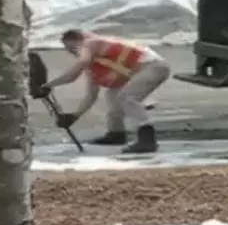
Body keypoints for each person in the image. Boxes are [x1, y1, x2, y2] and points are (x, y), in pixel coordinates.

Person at [40, 29, 170, 153]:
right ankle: (116, 134)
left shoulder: (90, 43)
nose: (71, 52)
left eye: (71, 48)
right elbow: (91, 95)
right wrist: (74, 116)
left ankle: (148, 139)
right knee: (112, 95)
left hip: (153, 67)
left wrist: (48, 85)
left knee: (127, 98)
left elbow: (73, 74)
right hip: (140, 72)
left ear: (78, 40)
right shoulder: (93, 64)